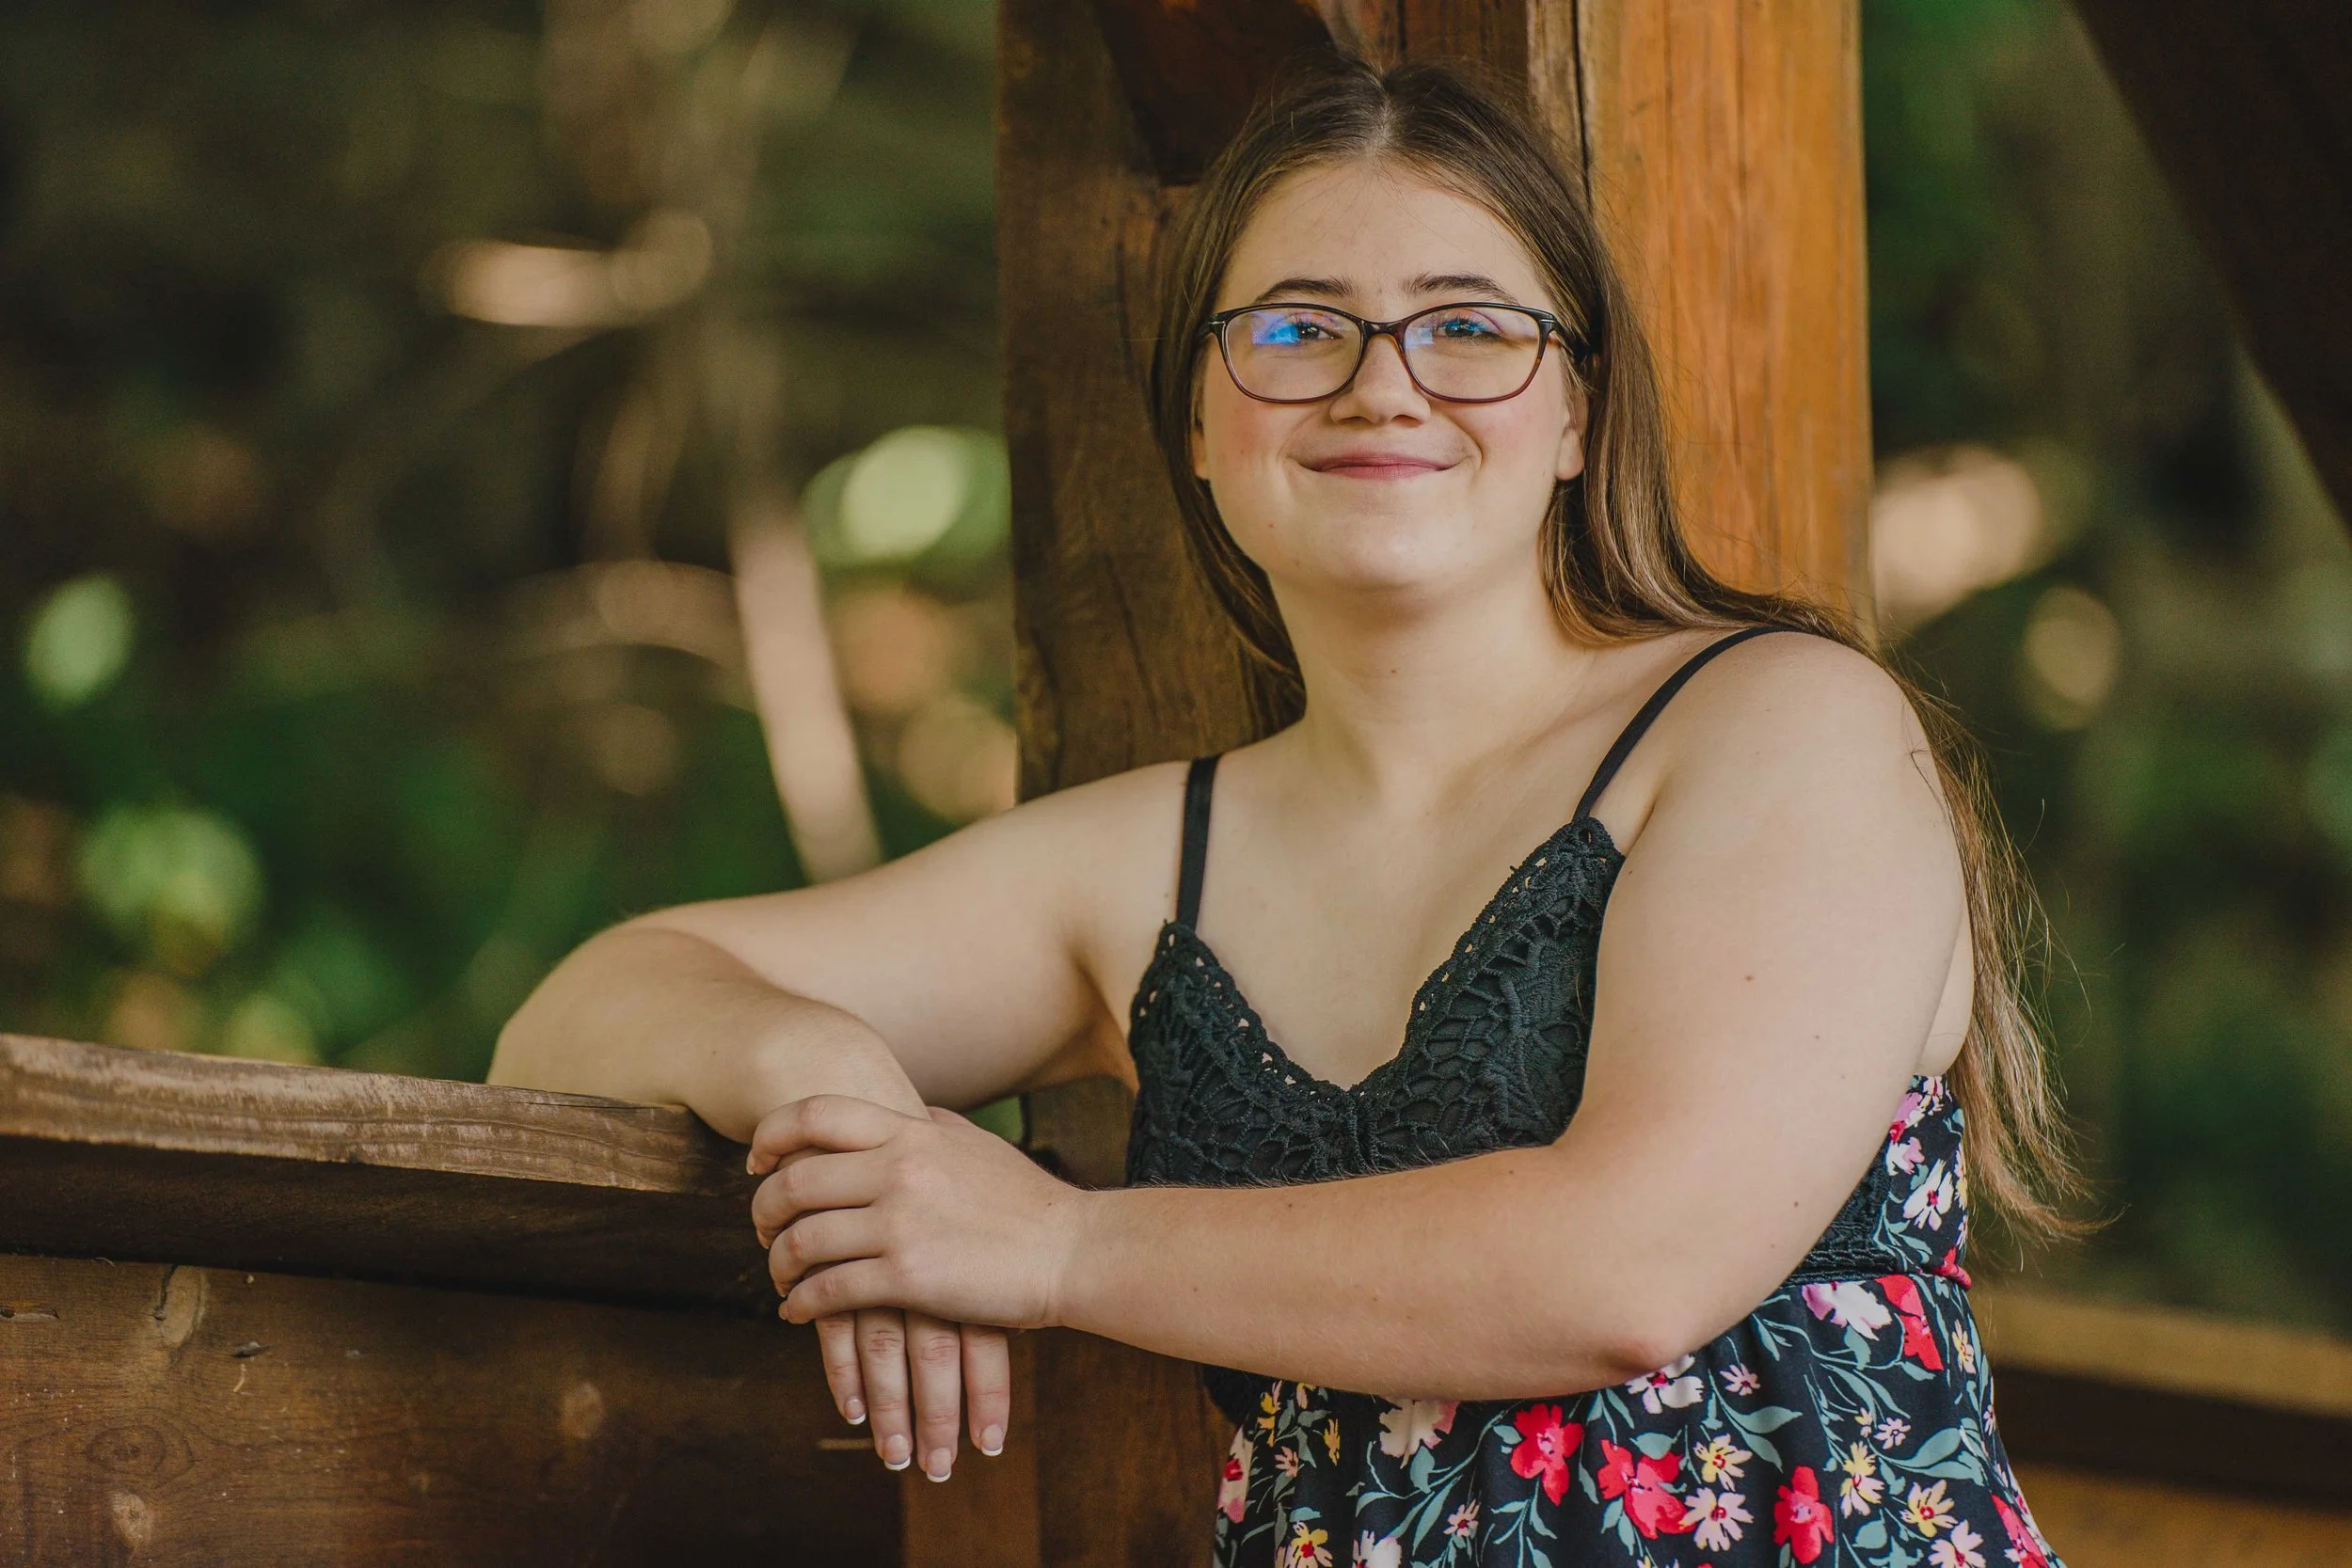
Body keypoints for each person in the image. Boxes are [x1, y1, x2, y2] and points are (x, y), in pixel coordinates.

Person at [492, 56, 2074, 1568]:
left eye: (1467, 327)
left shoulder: (1781, 722)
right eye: (1299, 329)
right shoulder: (1145, 862)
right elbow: (575, 1014)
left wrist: (1048, 1247)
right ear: (1199, 420)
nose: (1382, 386)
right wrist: (827, 1075)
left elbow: (1634, 1266)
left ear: (1579, 414)